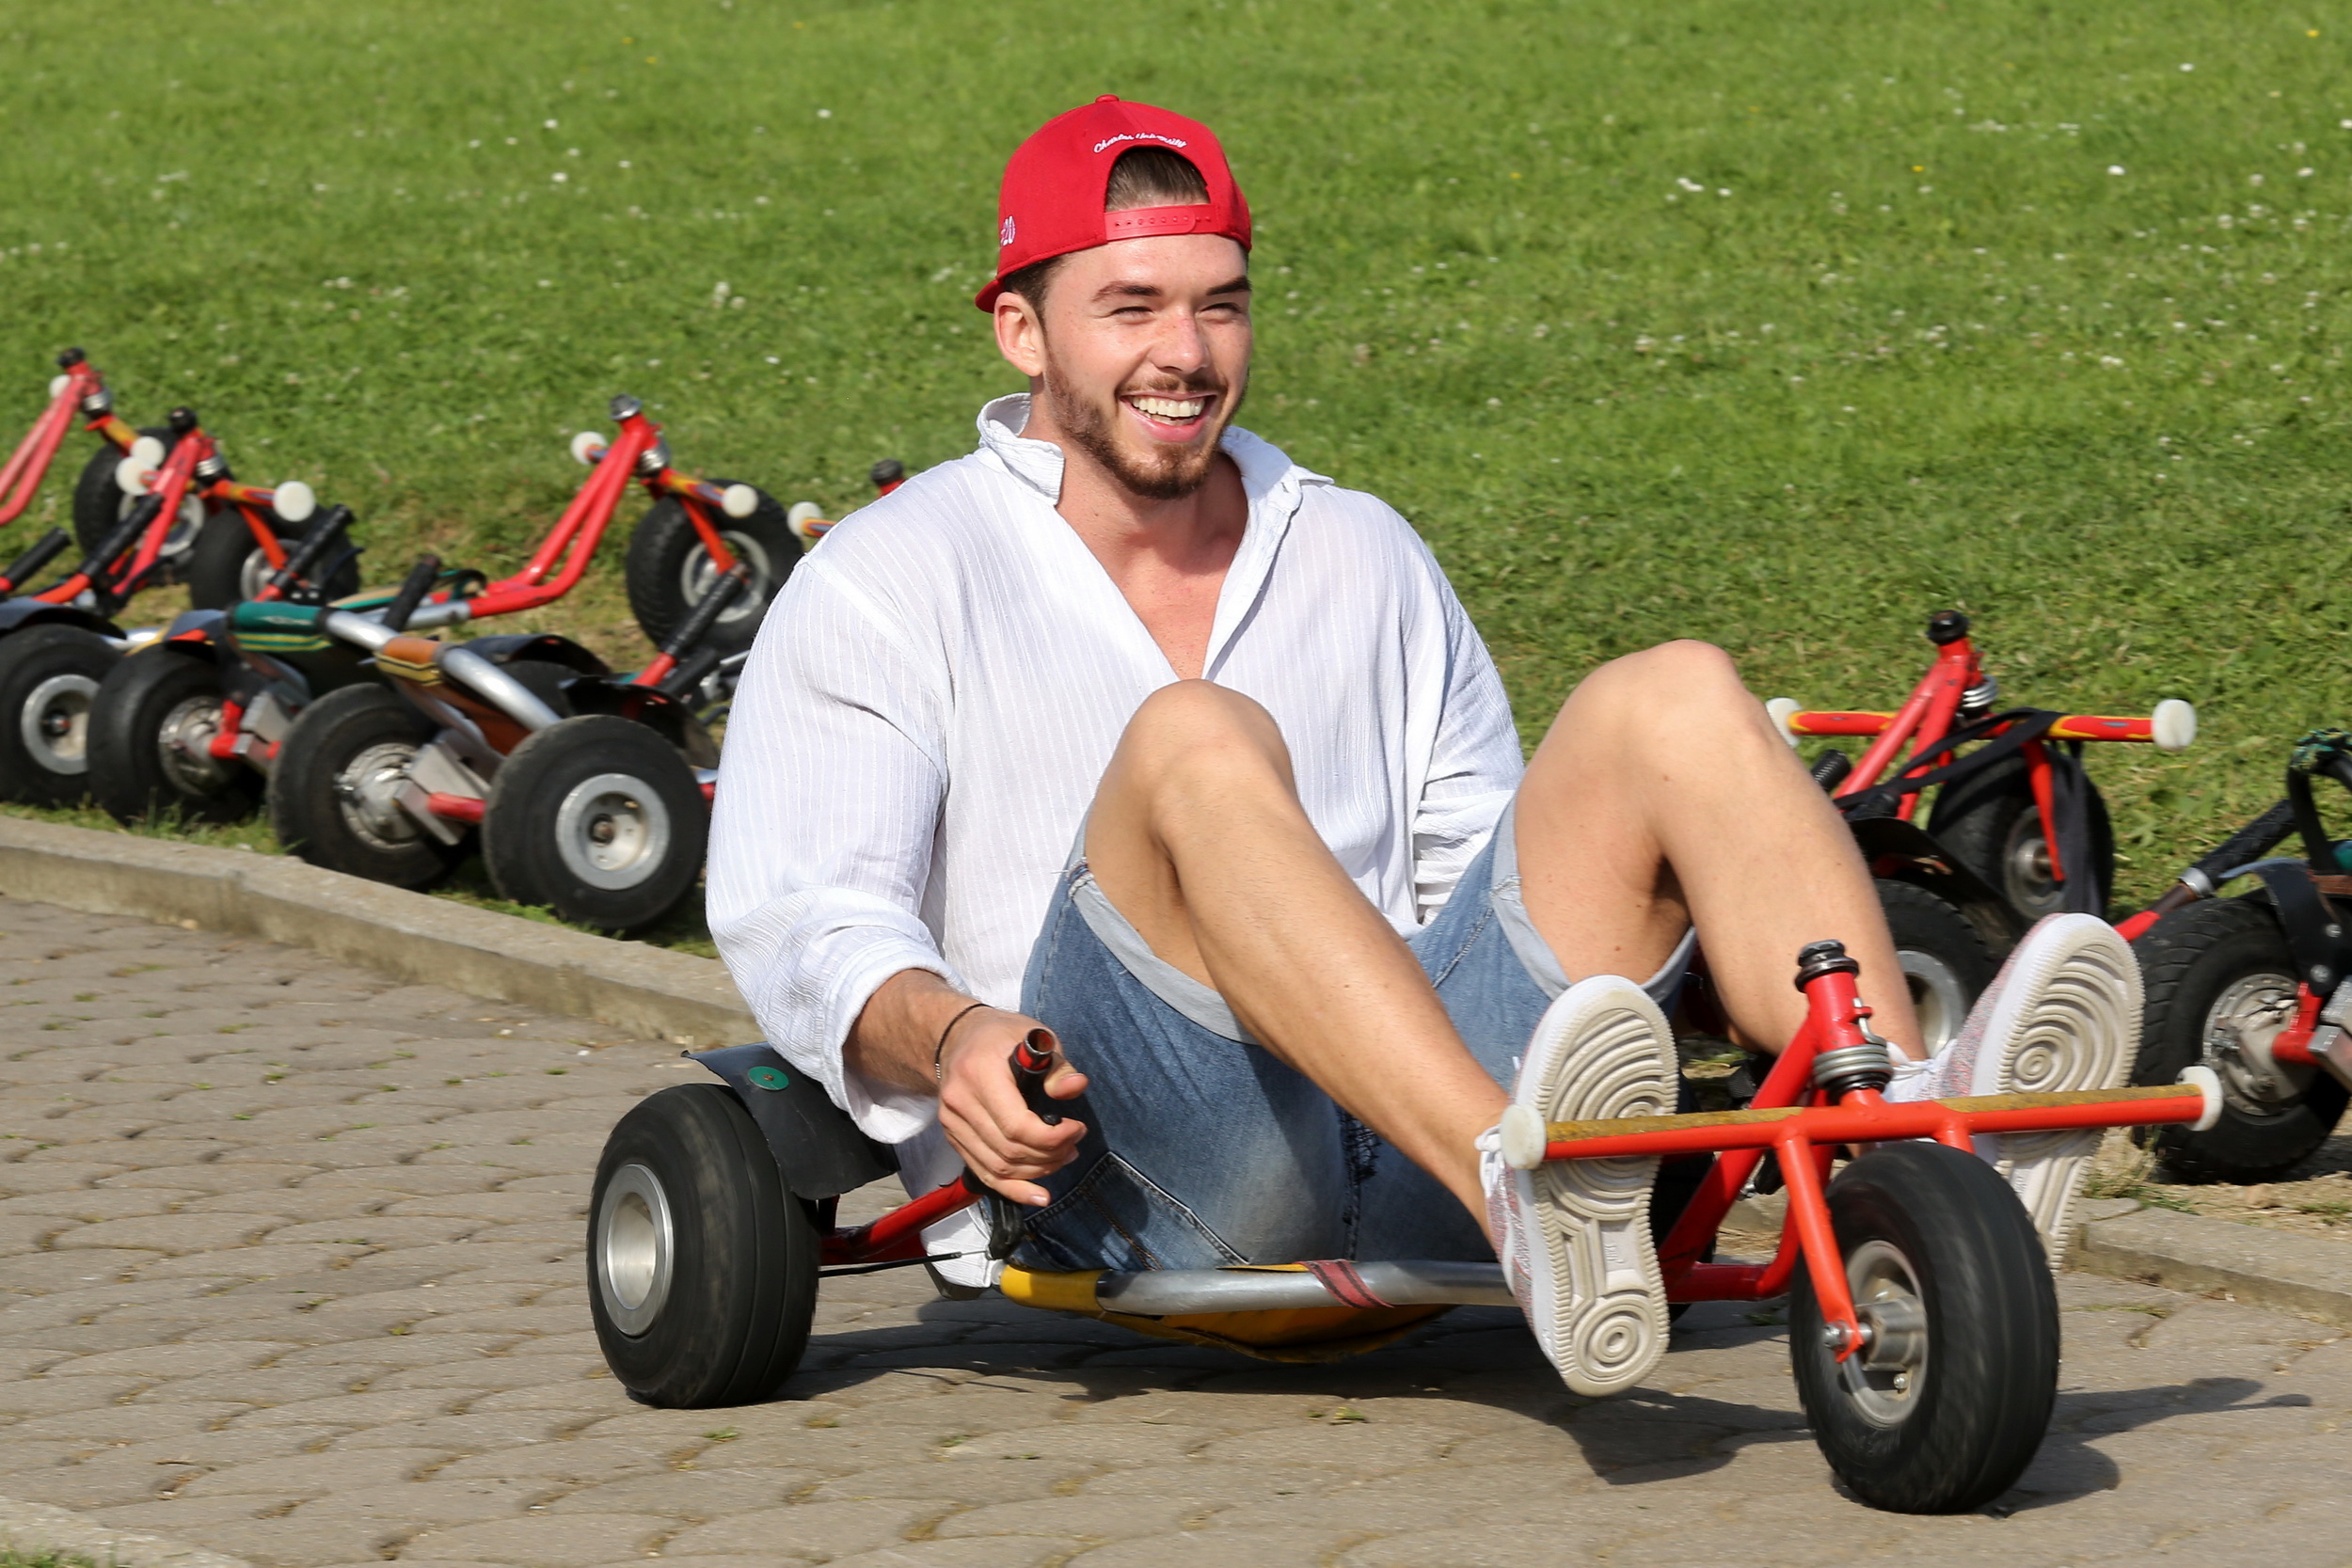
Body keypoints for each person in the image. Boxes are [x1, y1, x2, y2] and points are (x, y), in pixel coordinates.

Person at [707, 96, 2137, 1397]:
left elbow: (1476, 870)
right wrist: (953, 1035)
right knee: (1196, 736)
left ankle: (1916, 1142)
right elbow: (806, 916)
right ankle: (1518, 1184)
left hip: (1413, 1142)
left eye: (1220, 306)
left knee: (1677, 694)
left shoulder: (1359, 547)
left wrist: (1662, 951)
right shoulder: (894, 575)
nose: (1185, 355)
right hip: (1128, 1166)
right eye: (1129, 308)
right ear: (1022, 331)